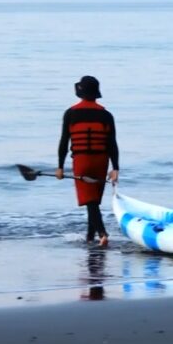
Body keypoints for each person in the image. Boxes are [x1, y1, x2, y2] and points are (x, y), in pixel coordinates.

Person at [56, 76, 119, 247]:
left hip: (82, 160)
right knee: (94, 201)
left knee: (90, 201)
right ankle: (90, 237)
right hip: (101, 160)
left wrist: (60, 167)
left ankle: (102, 233)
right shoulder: (106, 115)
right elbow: (112, 143)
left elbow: (64, 142)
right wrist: (115, 168)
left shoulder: (71, 113)